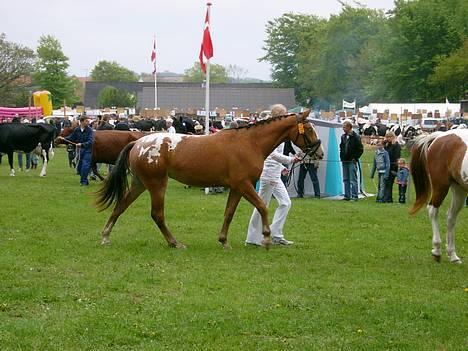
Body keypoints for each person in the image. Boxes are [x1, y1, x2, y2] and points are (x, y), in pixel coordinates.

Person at [245, 104, 300, 246]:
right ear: (279, 115)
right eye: (285, 114)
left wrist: (282, 168)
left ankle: (276, 234)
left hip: (275, 173)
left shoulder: (277, 129)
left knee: (285, 203)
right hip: (268, 174)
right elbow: (271, 153)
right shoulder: (270, 130)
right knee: (262, 206)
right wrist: (290, 160)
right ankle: (252, 238)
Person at [58, 116, 94, 186]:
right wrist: (63, 138)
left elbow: (91, 141)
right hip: (80, 151)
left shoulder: (90, 130)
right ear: (82, 122)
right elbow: (72, 137)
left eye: (88, 121)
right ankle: (85, 180)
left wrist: (82, 144)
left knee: (85, 165)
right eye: (86, 121)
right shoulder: (77, 130)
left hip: (88, 150)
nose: (88, 122)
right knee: (79, 168)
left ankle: (83, 182)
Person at [339, 120, 363, 201]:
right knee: (345, 179)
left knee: (353, 180)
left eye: (344, 127)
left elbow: (360, 149)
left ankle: (354, 196)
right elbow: (341, 147)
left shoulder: (356, 137)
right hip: (344, 161)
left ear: (349, 127)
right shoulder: (343, 137)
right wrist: (341, 157)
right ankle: (347, 196)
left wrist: (355, 158)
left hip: (352, 161)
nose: (343, 129)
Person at [383, 131, 401, 203]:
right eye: (387, 137)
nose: (388, 138)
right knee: (386, 183)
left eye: (389, 137)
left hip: (392, 167)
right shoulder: (387, 145)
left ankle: (388, 199)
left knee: (389, 183)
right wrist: (384, 143)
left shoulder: (396, 146)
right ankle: (386, 197)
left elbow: (396, 157)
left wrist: (393, 168)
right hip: (386, 167)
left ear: (393, 137)